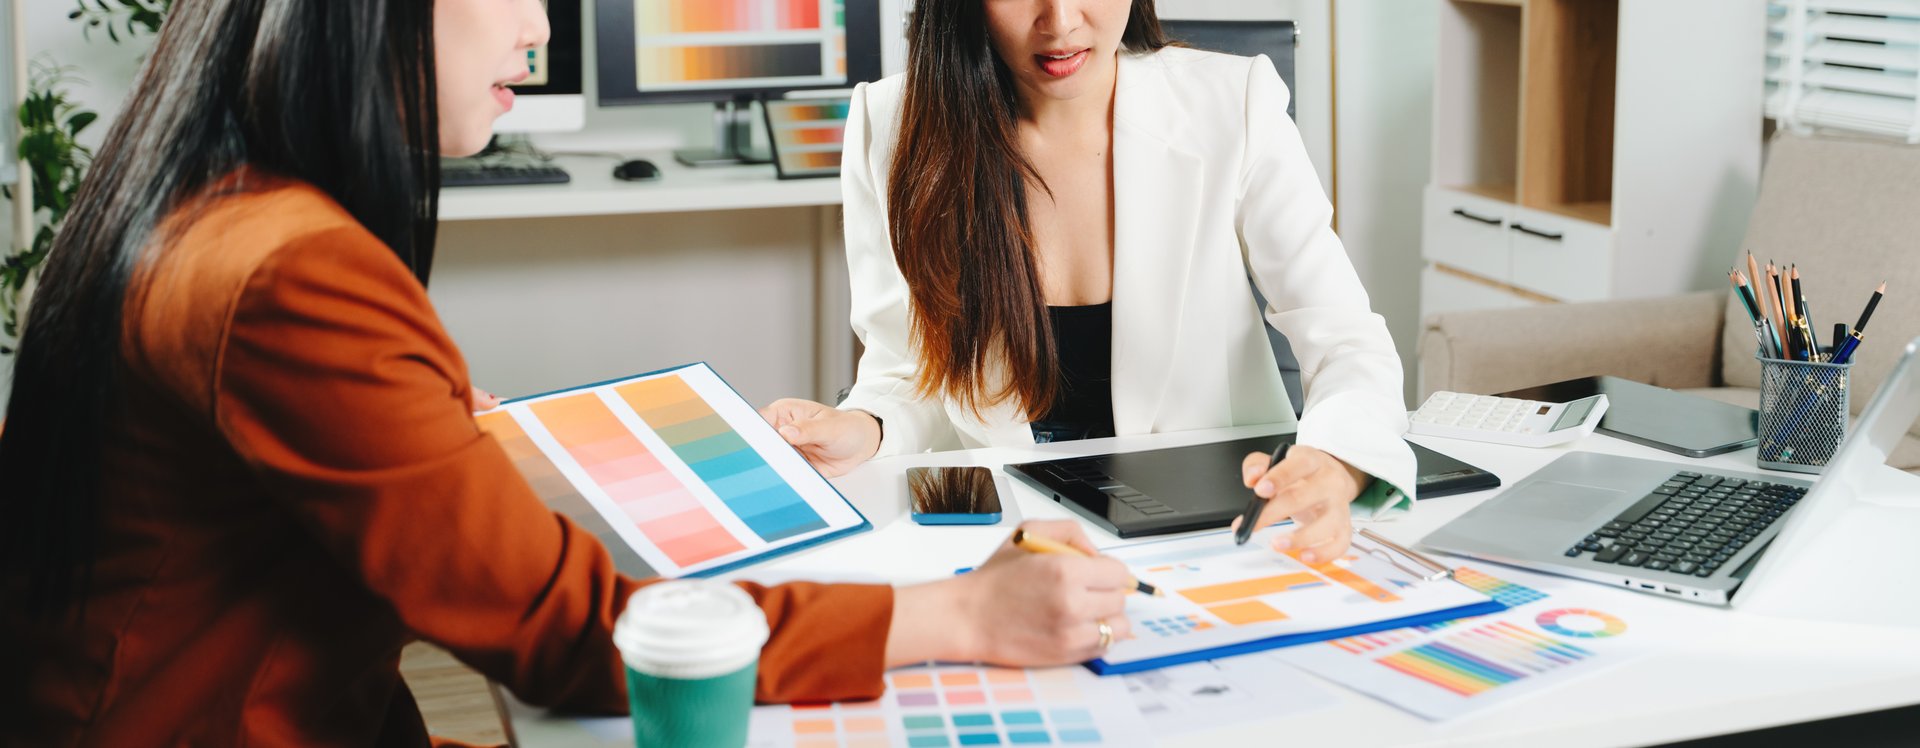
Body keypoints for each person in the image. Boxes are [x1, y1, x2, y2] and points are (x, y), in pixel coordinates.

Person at [0, 1, 1132, 744]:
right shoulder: (292, 274)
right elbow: (573, 635)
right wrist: (964, 613)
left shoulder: (208, 209)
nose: (539, 27)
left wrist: (438, 442)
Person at [762, 0, 1416, 563]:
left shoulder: (1232, 101)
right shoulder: (893, 124)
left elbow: (1345, 338)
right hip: (1007, 535)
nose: (1062, 22)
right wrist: (866, 427)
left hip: (1214, 525)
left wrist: (1338, 458)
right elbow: (908, 372)